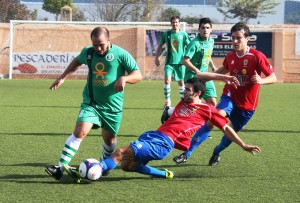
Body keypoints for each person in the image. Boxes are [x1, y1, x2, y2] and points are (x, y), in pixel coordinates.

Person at [63, 77, 260, 182]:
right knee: (127, 166)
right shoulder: (184, 101)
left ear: (198, 93)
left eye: (189, 90)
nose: (184, 91)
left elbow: (226, 128)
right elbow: (199, 77)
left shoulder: (207, 110)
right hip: (154, 134)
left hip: (164, 143)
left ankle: (92, 171)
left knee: (120, 152)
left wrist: (243, 144)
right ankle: (163, 174)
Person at [45, 26, 142, 182]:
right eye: (95, 44)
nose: (98, 48)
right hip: (92, 103)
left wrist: (124, 79)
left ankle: (104, 163)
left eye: (101, 45)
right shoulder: (89, 52)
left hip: (112, 107)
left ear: (109, 41)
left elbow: (138, 75)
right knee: (80, 131)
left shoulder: (121, 54)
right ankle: (60, 167)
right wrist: (63, 77)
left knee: (109, 139)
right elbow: (76, 61)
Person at [173, 22, 277, 166]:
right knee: (212, 120)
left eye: (238, 38)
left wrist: (261, 80)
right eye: (232, 38)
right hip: (230, 97)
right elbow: (218, 73)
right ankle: (187, 153)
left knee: (229, 136)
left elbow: (273, 77)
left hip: (247, 105)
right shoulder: (230, 56)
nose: (234, 41)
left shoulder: (257, 56)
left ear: (247, 38)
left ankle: (217, 152)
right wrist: (200, 78)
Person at [155, 16, 191, 108]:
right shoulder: (166, 34)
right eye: (173, 22)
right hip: (169, 62)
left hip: (180, 63)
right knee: (167, 81)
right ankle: (167, 102)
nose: (175, 24)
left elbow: (190, 47)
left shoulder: (183, 35)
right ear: (171, 24)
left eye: (176, 22)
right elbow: (159, 45)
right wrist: (156, 57)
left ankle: (183, 102)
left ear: (179, 23)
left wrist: (189, 59)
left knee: (181, 83)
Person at [183, 17, 217, 106]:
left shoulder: (211, 41)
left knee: (212, 103)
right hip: (193, 76)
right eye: (202, 28)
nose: (205, 30)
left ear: (211, 29)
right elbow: (185, 60)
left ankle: (204, 119)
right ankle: (170, 112)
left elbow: (207, 55)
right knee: (191, 104)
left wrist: (213, 67)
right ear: (199, 30)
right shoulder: (195, 43)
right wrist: (196, 71)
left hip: (205, 75)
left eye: (207, 28)